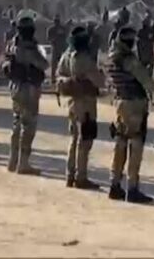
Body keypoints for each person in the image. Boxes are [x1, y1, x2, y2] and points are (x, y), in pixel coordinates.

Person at [106, 26, 154, 203]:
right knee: (135, 144)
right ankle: (132, 188)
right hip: (134, 104)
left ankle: (115, 184)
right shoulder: (128, 60)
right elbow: (147, 82)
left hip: (120, 102)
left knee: (120, 143)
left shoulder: (111, 58)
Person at [57, 26, 104, 189]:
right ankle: (81, 177)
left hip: (72, 102)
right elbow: (99, 81)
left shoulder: (66, 55)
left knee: (74, 138)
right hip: (86, 103)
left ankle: (70, 175)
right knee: (85, 140)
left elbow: (59, 74)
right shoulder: (84, 58)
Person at [2, 10, 48, 175]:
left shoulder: (12, 44)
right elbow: (43, 64)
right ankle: (23, 163)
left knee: (17, 123)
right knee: (28, 126)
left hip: (15, 86)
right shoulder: (28, 48)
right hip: (28, 88)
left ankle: (12, 160)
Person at [46, 15, 69, 85]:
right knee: (54, 65)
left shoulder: (63, 28)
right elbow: (48, 38)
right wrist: (55, 38)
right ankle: (53, 79)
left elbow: (66, 36)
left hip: (62, 48)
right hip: (55, 48)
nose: (57, 23)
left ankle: (65, 79)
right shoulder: (51, 29)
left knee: (64, 64)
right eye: (56, 21)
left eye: (58, 21)